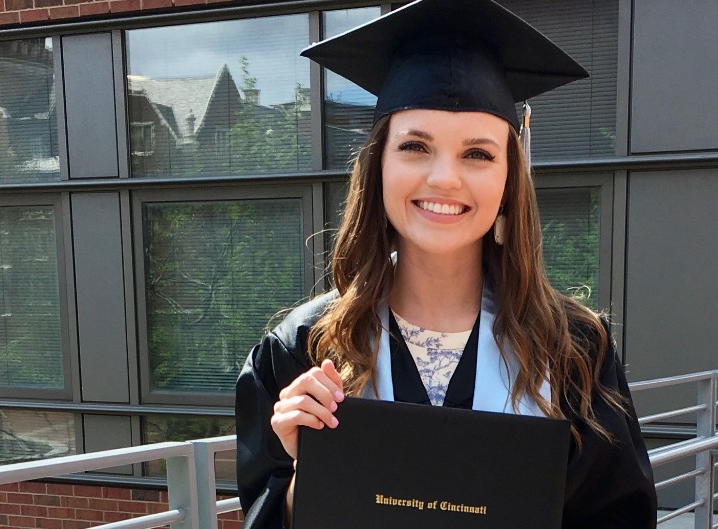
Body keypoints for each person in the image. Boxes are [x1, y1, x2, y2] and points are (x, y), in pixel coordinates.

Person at [234, 0, 656, 527]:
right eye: (415, 146)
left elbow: (620, 518)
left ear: (508, 178)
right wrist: (309, 469)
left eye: (477, 153)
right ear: (378, 165)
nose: (445, 179)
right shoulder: (302, 351)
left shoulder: (573, 352)